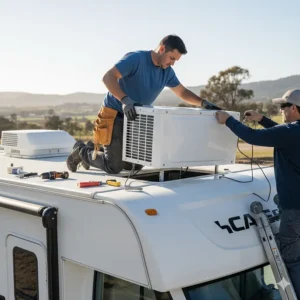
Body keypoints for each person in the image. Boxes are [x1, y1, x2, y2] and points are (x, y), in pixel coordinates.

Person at [66, 34, 219, 174]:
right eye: (171, 58)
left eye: (175, 60)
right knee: (114, 167)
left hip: (135, 117)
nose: (172, 63)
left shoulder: (167, 72)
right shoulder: (136, 59)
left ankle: (97, 149)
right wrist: (125, 100)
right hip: (115, 113)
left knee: (137, 162)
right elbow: (108, 77)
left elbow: (181, 92)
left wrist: (203, 103)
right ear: (162, 49)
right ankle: (81, 151)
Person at [215, 89, 300, 297]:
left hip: (295, 210)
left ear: (294, 108)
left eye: (283, 106)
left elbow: (251, 137)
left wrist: (228, 120)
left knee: (292, 261)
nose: (281, 111)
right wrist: (262, 119)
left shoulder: (290, 133)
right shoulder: (292, 133)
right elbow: (282, 133)